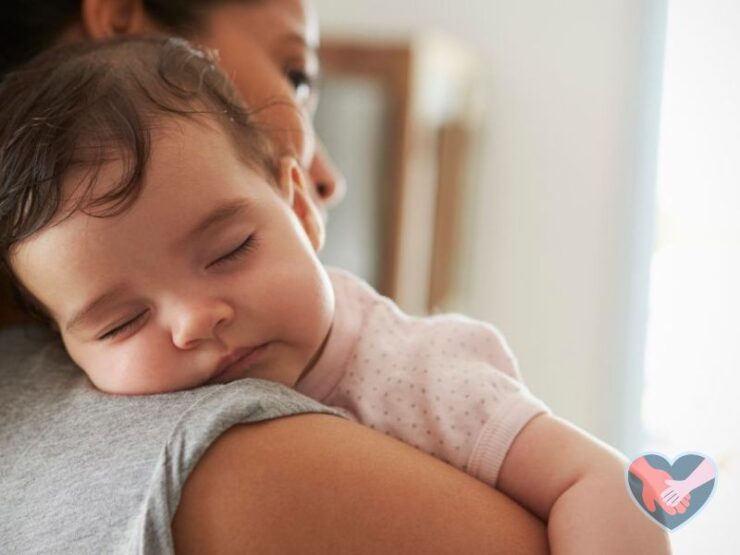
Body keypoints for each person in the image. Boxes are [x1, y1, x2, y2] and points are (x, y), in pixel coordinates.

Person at [1, 36, 672, 554]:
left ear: (299, 206)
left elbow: (607, 484)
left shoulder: (422, 374)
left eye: (229, 250)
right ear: (61, 345)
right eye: (122, 322)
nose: (194, 321)